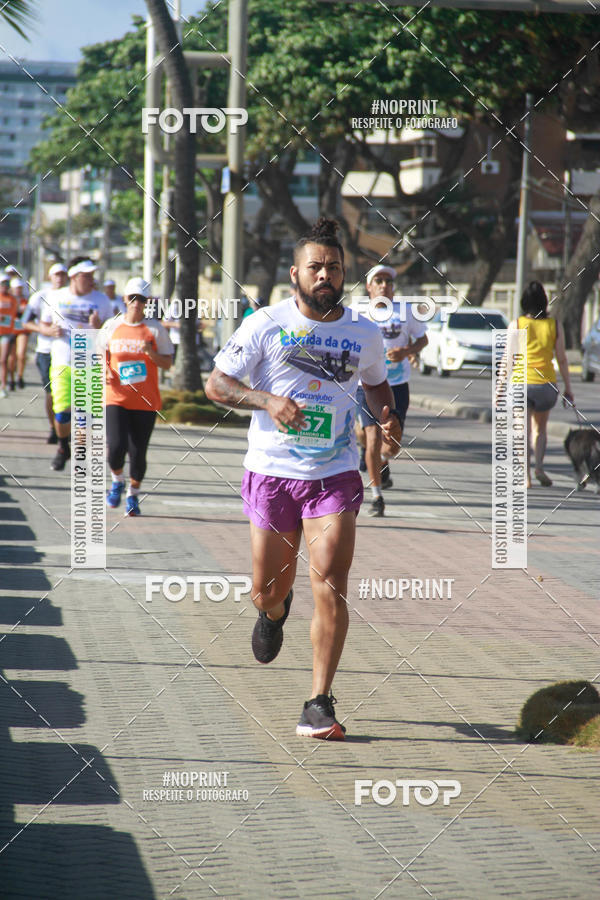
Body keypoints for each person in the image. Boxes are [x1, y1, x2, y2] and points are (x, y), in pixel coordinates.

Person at [205, 218, 403, 740]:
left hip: (333, 473)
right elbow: (216, 383)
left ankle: (319, 702)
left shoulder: (363, 332)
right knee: (267, 589)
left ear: (345, 274)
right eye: (315, 267)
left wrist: (387, 420)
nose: (325, 275)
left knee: (331, 584)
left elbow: (378, 387)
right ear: (295, 273)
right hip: (272, 473)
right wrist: (267, 399)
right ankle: (273, 612)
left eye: (333, 267)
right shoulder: (265, 324)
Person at [355, 264, 428, 516]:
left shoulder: (405, 312)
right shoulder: (358, 313)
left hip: (397, 386)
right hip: (365, 385)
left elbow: (423, 339)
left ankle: (380, 460)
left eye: (388, 280)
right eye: (379, 280)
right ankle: (377, 497)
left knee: (392, 445)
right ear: (369, 286)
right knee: (372, 438)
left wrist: (406, 352)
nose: (384, 284)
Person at [98, 277, 174, 516]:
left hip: (145, 400)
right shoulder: (112, 325)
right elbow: (101, 351)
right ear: (124, 299)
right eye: (132, 298)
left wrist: (151, 352)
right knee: (116, 447)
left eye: (141, 299)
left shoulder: (154, 329)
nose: (136, 303)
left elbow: (167, 364)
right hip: (116, 396)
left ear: (147, 302)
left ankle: (132, 495)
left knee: (138, 451)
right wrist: (104, 369)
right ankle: (117, 480)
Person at [39, 258, 113, 471]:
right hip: (63, 361)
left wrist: (99, 327)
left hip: (90, 364)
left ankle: (80, 457)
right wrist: (49, 331)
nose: (91, 280)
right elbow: (43, 325)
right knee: (62, 412)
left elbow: (111, 331)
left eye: (92, 276)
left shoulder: (102, 300)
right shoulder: (55, 297)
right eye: (86, 276)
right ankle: (63, 447)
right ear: (73, 277)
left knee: (86, 417)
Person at [511, 281, 574, 487]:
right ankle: (539, 467)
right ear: (544, 302)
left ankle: (525, 476)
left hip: (522, 383)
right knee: (540, 429)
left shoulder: (517, 324)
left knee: (523, 430)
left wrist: (500, 388)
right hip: (546, 385)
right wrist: (568, 388)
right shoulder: (554, 325)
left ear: (524, 302)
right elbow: (562, 359)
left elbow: (507, 359)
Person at [21, 263, 69, 442]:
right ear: (50, 277)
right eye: (56, 275)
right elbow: (25, 322)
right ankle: (53, 427)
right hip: (46, 351)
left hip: (70, 353)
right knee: (52, 392)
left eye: (63, 274)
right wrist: (45, 330)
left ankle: (65, 427)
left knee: (72, 395)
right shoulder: (40, 296)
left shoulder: (73, 297)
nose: (60, 278)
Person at [8, 277, 30, 389]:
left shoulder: (26, 301)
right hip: (10, 331)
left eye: (20, 288)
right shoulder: (7, 300)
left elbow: (29, 316)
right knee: (11, 357)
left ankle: (20, 377)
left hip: (23, 330)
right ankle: (11, 379)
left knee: (21, 354)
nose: (18, 290)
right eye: (16, 288)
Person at [0, 273, 16, 398]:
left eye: (6, 284)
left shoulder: (12, 299)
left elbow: (14, 316)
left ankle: (3, 386)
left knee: (3, 359)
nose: (4, 286)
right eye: (2, 283)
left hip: (6, 333)